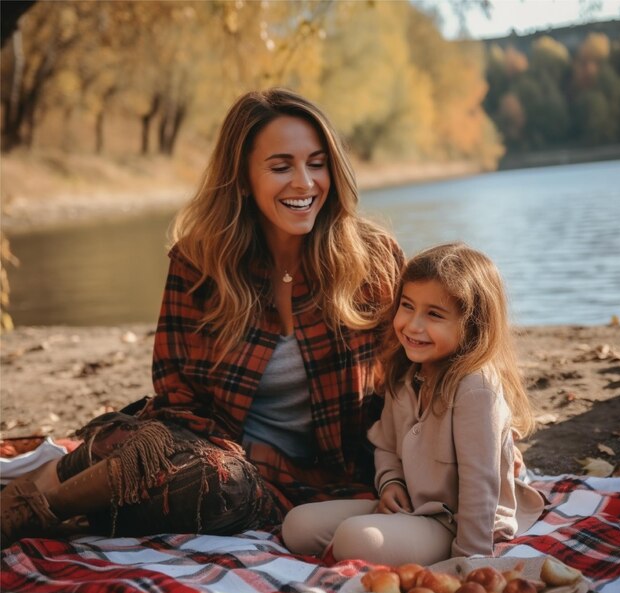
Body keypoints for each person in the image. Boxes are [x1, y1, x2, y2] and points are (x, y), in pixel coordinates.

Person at [0, 88, 403, 546]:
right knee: (139, 447)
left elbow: (410, 377)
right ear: (244, 178)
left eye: (317, 162)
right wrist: (202, 451)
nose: (305, 183)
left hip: (303, 481)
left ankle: (49, 508)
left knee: (214, 485)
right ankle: (35, 499)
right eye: (280, 166)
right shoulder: (201, 262)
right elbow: (176, 393)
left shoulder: (373, 261)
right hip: (212, 446)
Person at [281, 242, 544, 566]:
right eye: (407, 306)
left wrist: (468, 562)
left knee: (355, 537)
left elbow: (481, 485)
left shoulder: (476, 389)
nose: (413, 325)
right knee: (296, 525)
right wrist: (390, 482)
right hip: (414, 506)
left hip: (456, 523)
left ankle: (377, 544)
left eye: (434, 314)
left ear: (472, 324)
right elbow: (387, 446)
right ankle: (382, 538)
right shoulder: (406, 372)